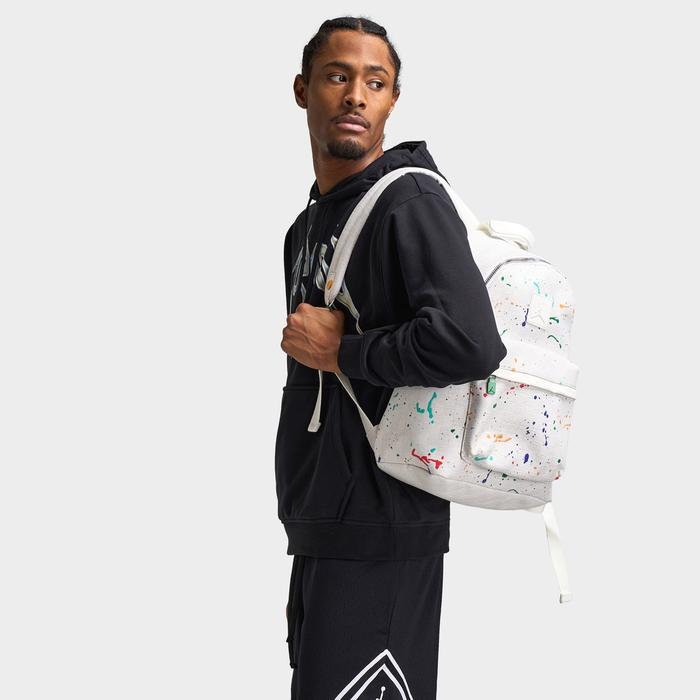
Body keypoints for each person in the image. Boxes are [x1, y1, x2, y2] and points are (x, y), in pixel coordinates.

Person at [276, 16, 507, 699]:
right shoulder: (304, 228)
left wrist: (342, 350)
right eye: (337, 76)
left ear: (392, 101)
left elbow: (471, 342)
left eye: (375, 83)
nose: (355, 95)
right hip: (322, 524)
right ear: (303, 90)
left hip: (385, 527)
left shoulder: (409, 199)